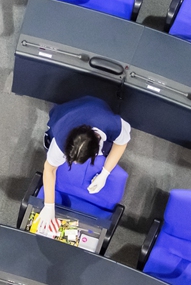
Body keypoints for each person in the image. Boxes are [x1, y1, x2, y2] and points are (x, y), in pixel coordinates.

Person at [35, 96, 131, 237]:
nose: (73, 164)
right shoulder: (60, 140)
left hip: (98, 105)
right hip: (66, 111)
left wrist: (105, 173)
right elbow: (49, 169)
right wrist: (49, 206)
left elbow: (121, 143)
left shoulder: (112, 124)